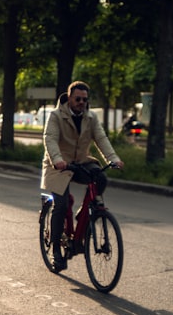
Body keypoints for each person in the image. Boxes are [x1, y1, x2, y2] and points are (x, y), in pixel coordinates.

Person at [41, 81, 124, 271]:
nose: (81, 102)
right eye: (77, 99)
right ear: (69, 98)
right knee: (60, 205)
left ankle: (85, 213)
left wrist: (113, 159)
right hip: (58, 165)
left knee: (101, 178)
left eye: (84, 100)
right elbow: (50, 139)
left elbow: (101, 138)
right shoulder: (56, 116)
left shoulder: (91, 117)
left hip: (80, 162)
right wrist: (57, 159)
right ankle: (56, 252)